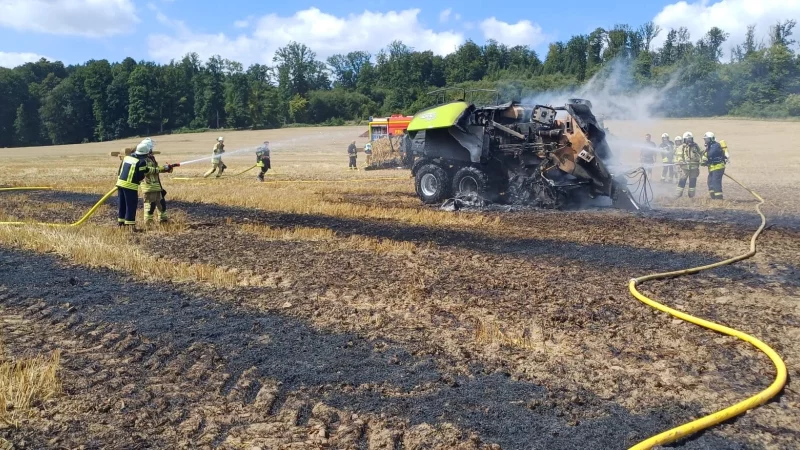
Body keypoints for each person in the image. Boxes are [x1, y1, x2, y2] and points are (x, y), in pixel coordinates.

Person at [116, 138, 170, 229]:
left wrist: (163, 169)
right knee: (131, 206)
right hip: (131, 186)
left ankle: (121, 224)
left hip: (120, 183)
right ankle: (130, 226)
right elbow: (142, 174)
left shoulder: (128, 157)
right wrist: (161, 169)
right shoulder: (142, 161)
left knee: (122, 205)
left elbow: (147, 170)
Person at [141, 143, 172, 224]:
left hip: (156, 185)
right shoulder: (143, 159)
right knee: (149, 206)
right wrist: (161, 168)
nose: (152, 150)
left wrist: (166, 169)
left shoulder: (151, 158)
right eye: (151, 148)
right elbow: (147, 170)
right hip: (149, 186)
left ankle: (163, 220)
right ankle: (148, 223)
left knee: (161, 203)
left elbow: (156, 170)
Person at [675, 131, 703, 198]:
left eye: (690, 139)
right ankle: (678, 195)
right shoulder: (681, 147)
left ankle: (691, 195)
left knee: (693, 181)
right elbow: (679, 156)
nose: (689, 140)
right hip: (684, 168)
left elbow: (702, 153)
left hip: (694, 167)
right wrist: (681, 161)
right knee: (682, 181)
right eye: (687, 139)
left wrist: (703, 160)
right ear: (684, 140)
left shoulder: (696, 146)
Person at [701, 131, 727, 200]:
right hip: (712, 168)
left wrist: (705, 158)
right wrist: (703, 161)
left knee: (716, 183)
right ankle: (713, 198)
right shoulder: (709, 147)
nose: (705, 141)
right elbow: (706, 155)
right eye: (705, 139)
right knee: (710, 183)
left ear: (711, 139)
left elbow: (710, 154)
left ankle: (719, 199)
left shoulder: (716, 145)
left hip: (718, 167)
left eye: (707, 139)